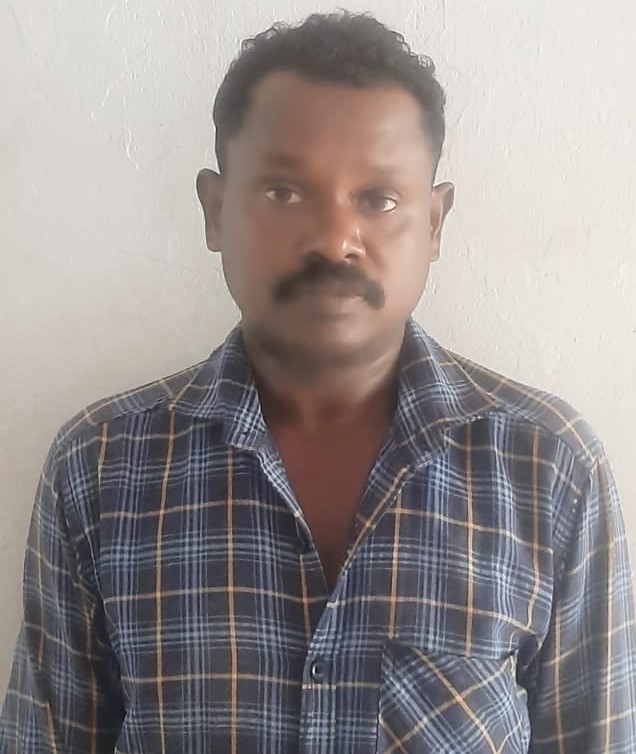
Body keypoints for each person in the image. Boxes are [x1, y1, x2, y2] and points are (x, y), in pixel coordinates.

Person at [1, 10, 635, 754]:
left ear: (434, 224)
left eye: (380, 199)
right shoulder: (100, 466)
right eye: (283, 192)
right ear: (215, 210)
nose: (335, 240)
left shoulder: (549, 468)